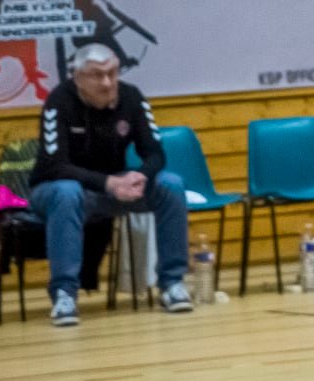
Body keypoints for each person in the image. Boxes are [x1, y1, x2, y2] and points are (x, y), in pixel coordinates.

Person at [27, 43, 193, 326]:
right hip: (54, 189)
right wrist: (108, 183)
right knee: (67, 192)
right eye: (97, 75)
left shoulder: (131, 97)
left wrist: (140, 176)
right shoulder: (59, 102)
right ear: (77, 77)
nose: (107, 82)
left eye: (112, 73)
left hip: (113, 186)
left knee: (171, 185)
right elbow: (57, 165)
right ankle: (65, 295)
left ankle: (172, 284)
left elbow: (155, 153)